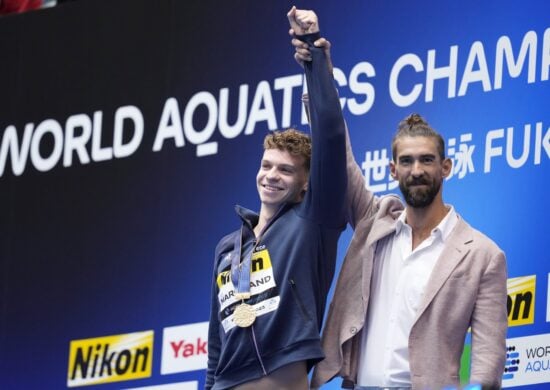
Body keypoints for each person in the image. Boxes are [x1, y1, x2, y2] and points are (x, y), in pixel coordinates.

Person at [292, 23, 508, 390]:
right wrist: (318, 69)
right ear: (392, 169)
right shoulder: (373, 221)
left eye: (427, 160)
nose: (417, 170)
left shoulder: (484, 255)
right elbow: (336, 149)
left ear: (446, 167)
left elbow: (488, 359)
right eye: (406, 162)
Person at [206, 7, 347, 390]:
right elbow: (216, 341)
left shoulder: (313, 220)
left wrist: (312, 55)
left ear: (305, 184)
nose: (271, 175)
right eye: (267, 165)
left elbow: (331, 136)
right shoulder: (227, 247)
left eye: (285, 170)